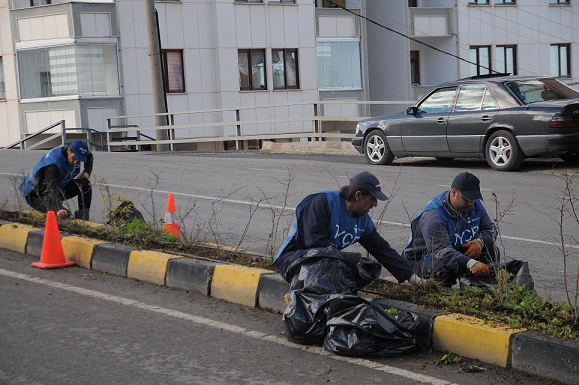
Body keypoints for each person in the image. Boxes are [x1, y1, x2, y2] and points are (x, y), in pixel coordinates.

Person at [273, 170, 423, 286]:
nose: (375, 204)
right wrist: (348, 259)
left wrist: (413, 277)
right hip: (294, 259)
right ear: (358, 195)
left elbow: (382, 249)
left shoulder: (362, 220)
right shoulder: (322, 203)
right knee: (334, 264)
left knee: (368, 268)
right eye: (372, 198)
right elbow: (314, 245)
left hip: (327, 260)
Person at [403, 172, 499, 287]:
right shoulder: (434, 215)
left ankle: (479, 289)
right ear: (454, 192)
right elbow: (441, 251)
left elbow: (491, 228)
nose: (470, 203)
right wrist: (470, 263)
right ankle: (438, 297)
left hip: (453, 249)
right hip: (422, 258)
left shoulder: (474, 205)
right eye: (466, 198)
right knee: (444, 270)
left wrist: (480, 242)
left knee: (491, 249)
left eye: (473, 199)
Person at [19, 140, 93, 220]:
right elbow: (52, 189)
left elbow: (89, 155)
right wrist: (59, 208)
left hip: (59, 186)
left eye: (79, 159)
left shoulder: (77, 154)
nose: (75, 162)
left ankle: (84, 219)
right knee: (64, 215)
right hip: (37, 195)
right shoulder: (53, 165)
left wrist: (87, 171)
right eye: (74, 158)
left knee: (85, 185)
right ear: (69, 150)